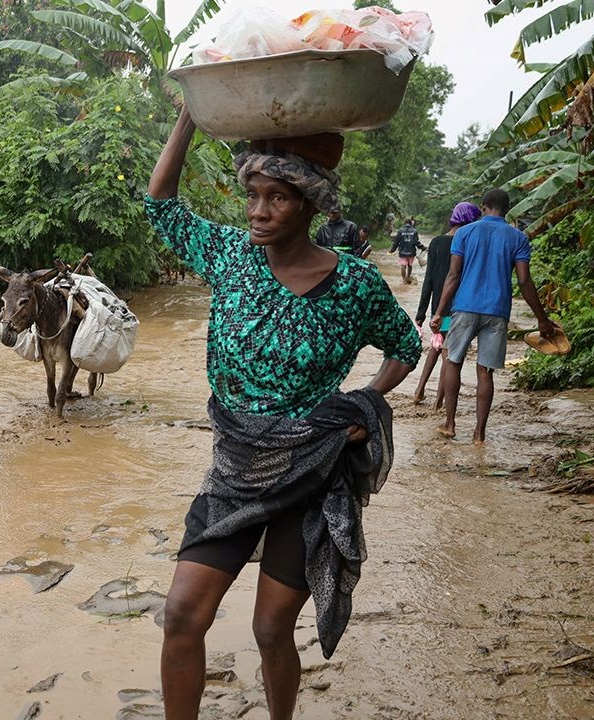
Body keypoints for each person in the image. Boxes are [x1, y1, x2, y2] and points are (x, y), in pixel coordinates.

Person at [146, 108, 420, 720]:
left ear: (311, 204)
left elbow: (404, 346)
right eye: (252, 195)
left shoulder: (353, 283)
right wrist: (190, 116)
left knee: (271, 628)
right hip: (236, 467)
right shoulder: (229, 257)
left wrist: (366, 403)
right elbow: (161, 205)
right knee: (182, 612)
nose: (259, 211)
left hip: (311, 475)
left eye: (277, 198)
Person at [429, 188, 555, 445]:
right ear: (506, 210)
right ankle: (479, 435)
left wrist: (439, 312)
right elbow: (524, 281)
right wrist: (542, 318)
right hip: (497, 311)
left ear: (483, 207)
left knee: (453, 362)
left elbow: (453, 276)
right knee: (485, 371)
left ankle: (450, 424)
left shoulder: (464, 232)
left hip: (464, 306)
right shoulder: (518, 237)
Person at [412, 202, 482, 406]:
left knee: (436, 347)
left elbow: (429, 280)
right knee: (448, 355)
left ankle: (419, 390)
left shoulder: (436, 242)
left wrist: (421, 312)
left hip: (438, 308)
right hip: (459, 306)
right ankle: (439, 403)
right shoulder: (468, 243)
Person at [388, 217, 424, 284]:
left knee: (403, 265)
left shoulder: (400, 231)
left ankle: (404, 280)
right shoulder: (414, 231)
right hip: (411, 252)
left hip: (402, 252)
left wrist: (392, 250)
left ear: (404, 223)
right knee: (410, 265)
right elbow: (417, 242)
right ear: (411, 223)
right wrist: (423, 248)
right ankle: (408, 277)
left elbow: (396, 242)